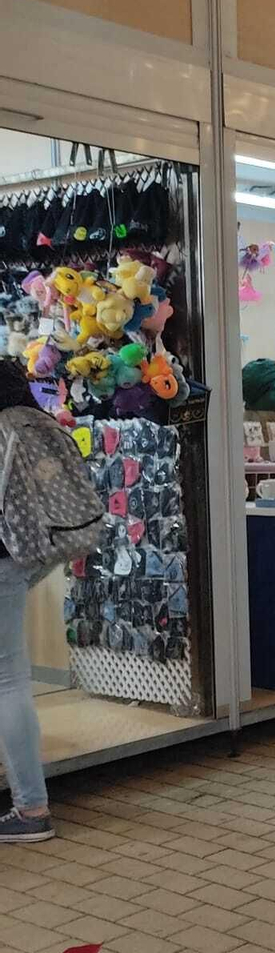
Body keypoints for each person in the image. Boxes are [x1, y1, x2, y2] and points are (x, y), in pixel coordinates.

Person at [0, 360, 58, 843]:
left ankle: (32, 808)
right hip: (21, 556)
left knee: (8, 682)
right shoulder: (28, 425)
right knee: (9, 680)